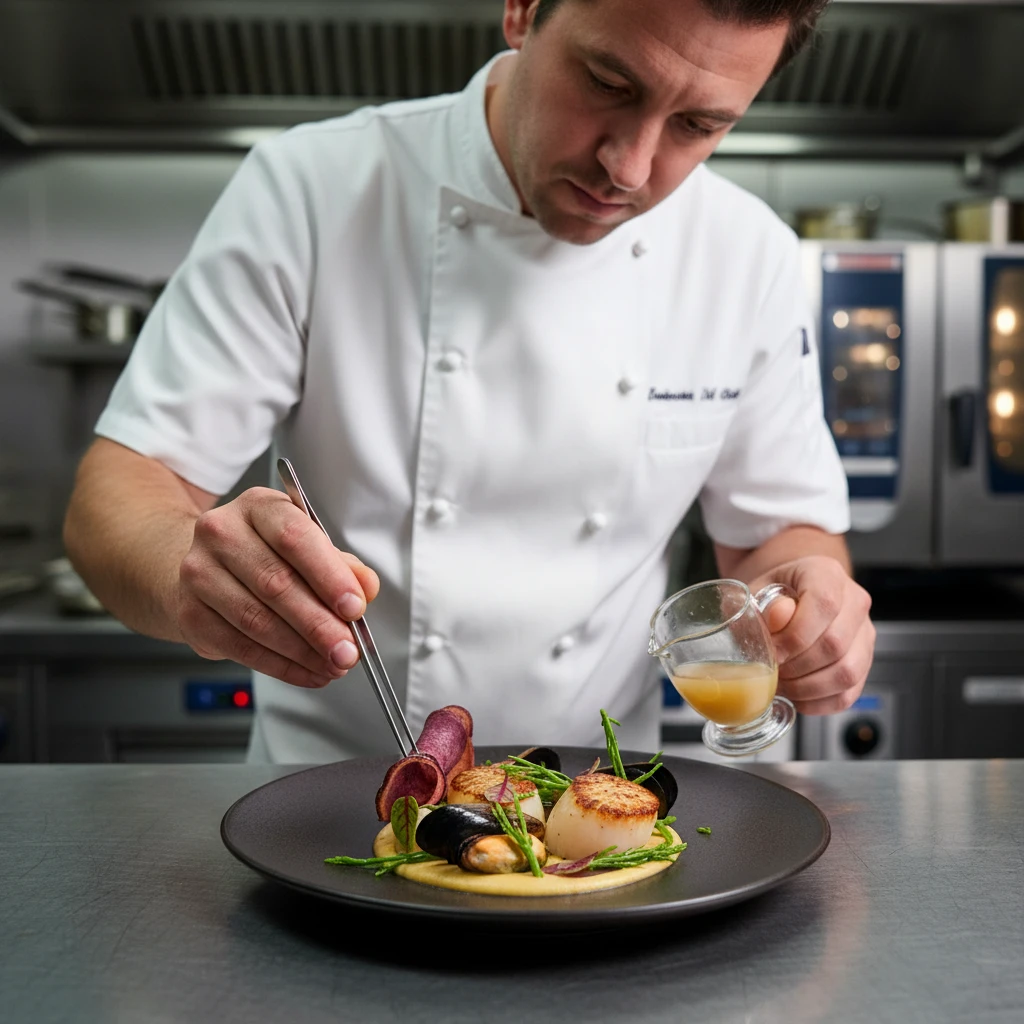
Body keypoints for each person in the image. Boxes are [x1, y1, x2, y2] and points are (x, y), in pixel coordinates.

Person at [63, 0, 874, 762]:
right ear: (522, 9)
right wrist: (198, 579)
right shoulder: (313, 186)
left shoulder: (747, 254)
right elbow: (121, 495)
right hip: (325, 801)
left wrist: (812, 604)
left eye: (698, 126)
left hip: (595, 812)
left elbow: (778, 537)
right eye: (607, 83)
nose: (628, 168)